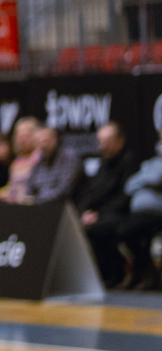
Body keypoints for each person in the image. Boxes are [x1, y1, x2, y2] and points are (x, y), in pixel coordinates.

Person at [77, 123, 139, 288]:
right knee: (81, 226)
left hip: (122, 213)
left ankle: (118, 271)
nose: (102, 146)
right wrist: (86, 211)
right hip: (99, 214)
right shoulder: (103, 163)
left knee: (98, 228)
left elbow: (124, 199)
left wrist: (99, 214)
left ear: (120, 141)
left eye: (107, 141)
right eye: (100, 142)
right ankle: (103, 275)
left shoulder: (130, 162)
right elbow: (92, 192)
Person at [121, 140, 162, 290]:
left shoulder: (151, 166)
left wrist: (142, 181)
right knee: (119, 230)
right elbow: (129, 185)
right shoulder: (152, 162)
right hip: (139, 214)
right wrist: (145, 181)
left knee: (127, 231)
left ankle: (146, 271)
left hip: (157, 212)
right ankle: (144, 271)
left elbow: (156, 178)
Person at [27, 127, 80, 205]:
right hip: (41, 207)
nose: (43, 145)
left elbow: (64, 191)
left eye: (45, 141)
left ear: (55, 140)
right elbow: (29, 192)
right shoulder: (37, 163)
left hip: (65, 206)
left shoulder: (68, 157)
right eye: (38, 142)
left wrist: (37, 199)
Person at [4, 117, 41, 203]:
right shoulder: (16, 162)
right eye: (19, 136)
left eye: (25, 136)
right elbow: (11, 191)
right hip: (16, 207)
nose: (21, 140)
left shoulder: (40, 158)